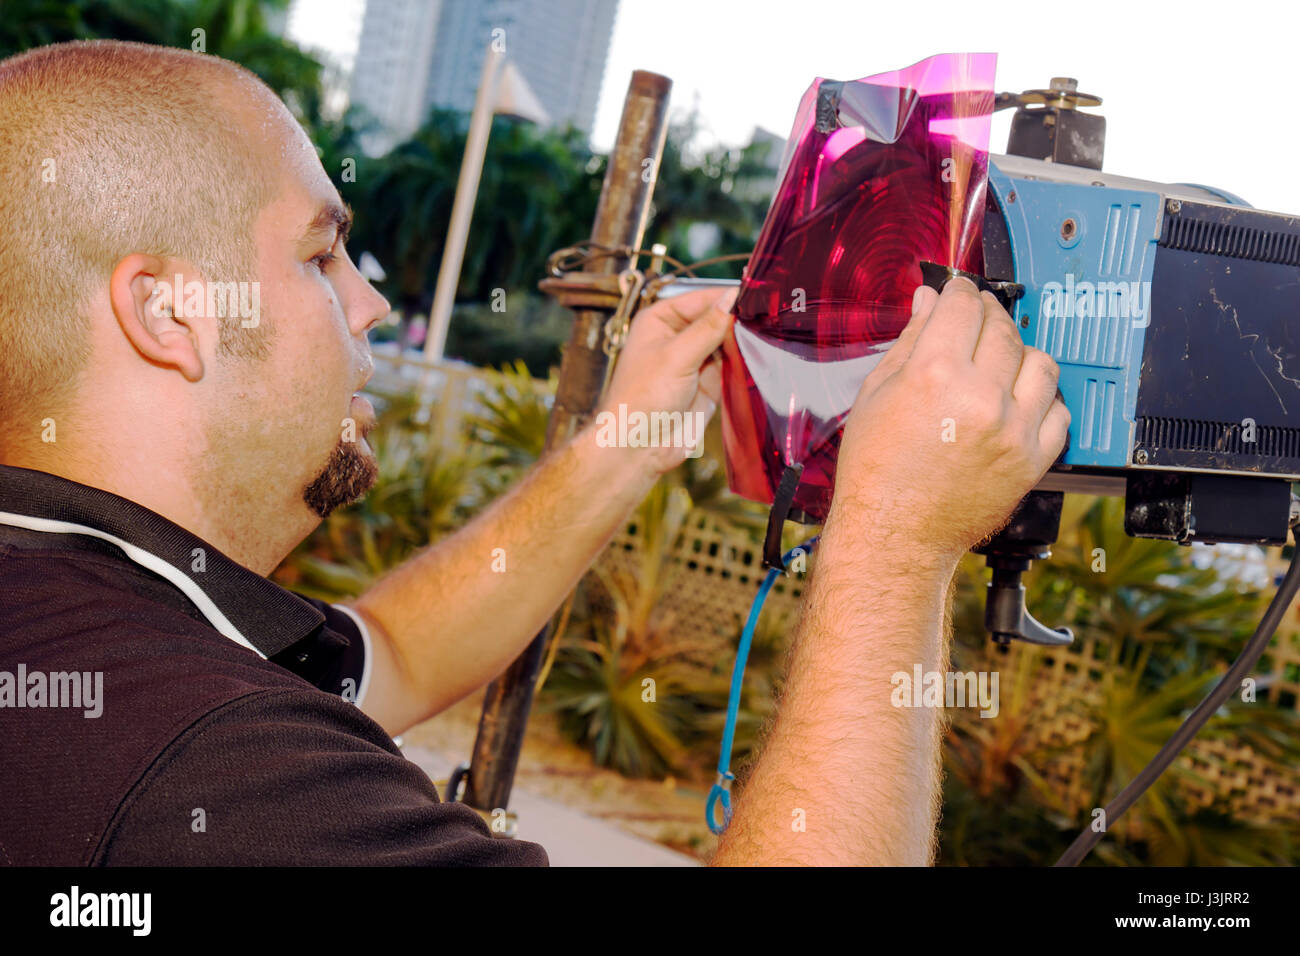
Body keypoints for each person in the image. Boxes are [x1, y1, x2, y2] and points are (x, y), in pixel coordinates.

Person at [0, 40, 1068, 866]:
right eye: (320, 252)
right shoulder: (211, 762)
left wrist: (626, 441)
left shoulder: (78, 621)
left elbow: (395, 656)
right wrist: (893, 548)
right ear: (168, 311)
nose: (370, 300)